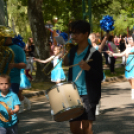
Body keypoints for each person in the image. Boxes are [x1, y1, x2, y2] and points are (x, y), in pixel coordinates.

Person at [64, 20, 103, 134]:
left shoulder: (94, 54)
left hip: (88, 94)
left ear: (86, 34)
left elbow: (99, 76)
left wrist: (88, 68)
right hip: (72, 93)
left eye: (77, 33)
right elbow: (67, 64)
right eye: (73, 33)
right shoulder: (72, 50)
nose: (74, 36)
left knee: (86, 128)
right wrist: (64, 53)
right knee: (74, 128)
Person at [0, 26, 26, 95]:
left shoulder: (18, 49)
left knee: (10, 101)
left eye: (2, 38)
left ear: (9, 37)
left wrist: (14, 65)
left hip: (13, 80)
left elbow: (24, 64)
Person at [107, 35, 134, 100]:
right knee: (129, 80)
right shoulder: (128, 48)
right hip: (128, 67)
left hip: (133, 67)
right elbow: (121, 54)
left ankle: (133, 95)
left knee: (133, 81)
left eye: (131, 39)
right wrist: (112, 54)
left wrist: (131, 53)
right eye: (129, 39)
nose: (129, 40)